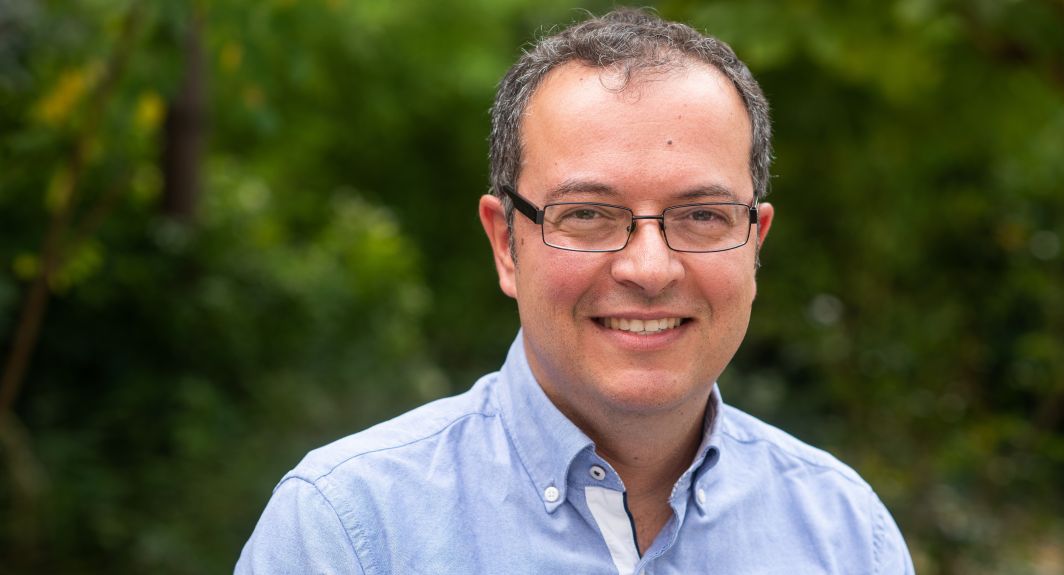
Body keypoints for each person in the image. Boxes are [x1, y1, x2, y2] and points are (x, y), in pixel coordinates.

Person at [236, 8, 914, 574]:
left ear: (756, 241)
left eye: (702, 216)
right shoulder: (349, 532)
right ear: (506, 243)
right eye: (587, 214)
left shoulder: (848, 537)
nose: (649, 269)